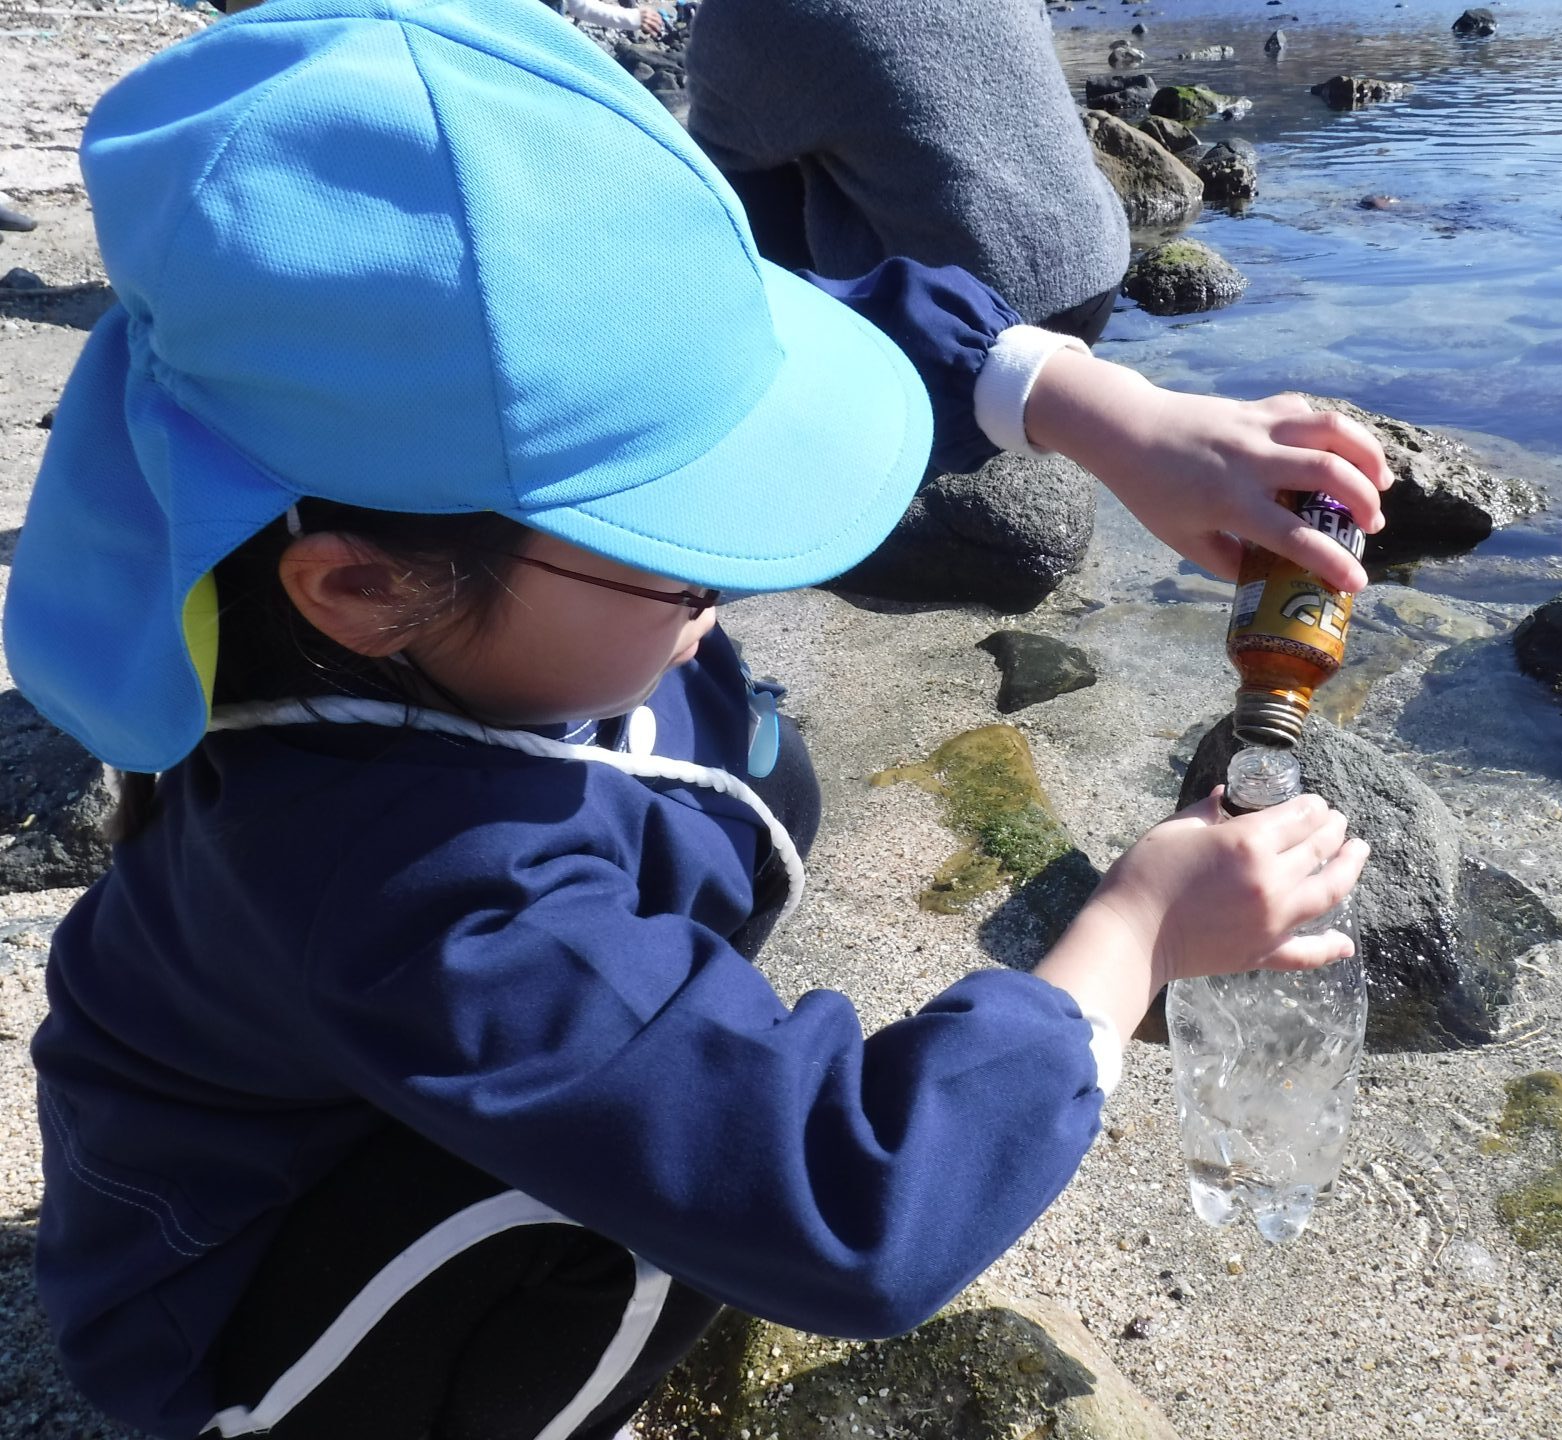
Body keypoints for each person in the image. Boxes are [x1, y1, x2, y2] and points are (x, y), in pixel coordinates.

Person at [5, 1, 1385, 1437]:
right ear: (366, 588)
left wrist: (1113, 414)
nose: (738, 579)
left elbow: (743, 333)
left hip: (417, 1047)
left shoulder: (384, 550)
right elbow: (849, 1213)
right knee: (670, 1232)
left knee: (727, 787)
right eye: (683, 552)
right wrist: (1132, 942)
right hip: (248, 1326)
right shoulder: (414, 895)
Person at [684, 0, 1131, 345]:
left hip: (968, 321)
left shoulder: (744, 13)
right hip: (1096, 271)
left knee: (721, 179)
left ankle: (792, 372)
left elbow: (714, 153)